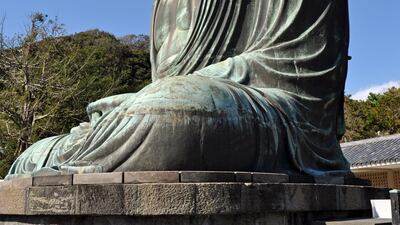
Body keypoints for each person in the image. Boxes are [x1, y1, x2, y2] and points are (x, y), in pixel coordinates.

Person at [7, 0, 351, 179]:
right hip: (180, 102)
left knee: (164, 119)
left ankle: (106, 144)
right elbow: (168, 82)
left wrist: (158, 97)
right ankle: (95, 148)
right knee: (34, 154)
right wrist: (145, 99)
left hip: (277, 114)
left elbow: (296, 63)